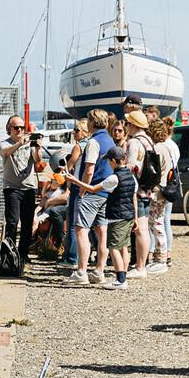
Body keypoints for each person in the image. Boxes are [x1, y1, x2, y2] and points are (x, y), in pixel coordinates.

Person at [65, 147, 133, 290]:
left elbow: (93, 189)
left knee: (113, 247)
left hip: (117, 217)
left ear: (114, 161)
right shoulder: (130, 175)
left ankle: (121, 280)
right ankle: (123, 277)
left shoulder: (114, 178)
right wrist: (136, 218)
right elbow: (133, 196)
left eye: (109, 161)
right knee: (124, 248)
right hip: (129, 217)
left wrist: (75, 181)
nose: (108, 163)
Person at [67, 109, 113, 284]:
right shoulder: (109, 140)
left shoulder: (93, 142)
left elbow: (89, 168)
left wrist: (82, 188)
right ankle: (99, 271)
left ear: (91, 123)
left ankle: (81, 271)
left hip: (92, 189)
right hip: (105, 191)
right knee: (102, 231)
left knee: (81, 229)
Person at [0, 116, 44, 259]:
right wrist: (19, 143)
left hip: (29, 188)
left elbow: (37, 160)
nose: (19, 130)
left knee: (27, 223)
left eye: (22, 128)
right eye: (16, 127)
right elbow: (5, 153)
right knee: (12, 222)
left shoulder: (28, 143)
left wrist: (37, 148)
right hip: (12, 188)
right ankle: (9, 255)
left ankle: (23, 255)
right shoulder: (4, 143)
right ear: (9, 129)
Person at [123, 110, 154, 278]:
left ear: (133, 125)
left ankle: (141, 266)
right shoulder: (149, 141)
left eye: (128, 123)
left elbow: (131, 166)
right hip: (147, 188)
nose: (126, 126)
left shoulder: (134, 142)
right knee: (144, 228)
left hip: (137, 189)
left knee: (140, 229)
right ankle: (142, 263)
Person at [146, 118, 177, 272]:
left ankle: (161, 259)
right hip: (164, 189)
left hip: (158, 190)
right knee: (158, 223)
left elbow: (154, 172)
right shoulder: (167, 147)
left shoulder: (157, 148)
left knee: (156, 224)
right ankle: (161, 257)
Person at [59, 119, 89, 267]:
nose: (74, 133)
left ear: (84, 132)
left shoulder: (78, 147)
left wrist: (67, 181)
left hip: (77, 185)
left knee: (72, 224)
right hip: (88, 185)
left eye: (77, 130)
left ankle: (72, 258)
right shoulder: (92, 145)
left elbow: (69, 166)